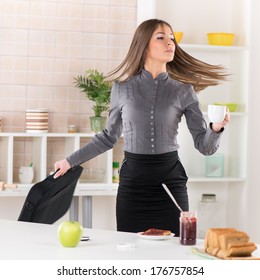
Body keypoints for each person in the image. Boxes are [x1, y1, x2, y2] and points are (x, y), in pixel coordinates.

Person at [54, 19, 230, 236]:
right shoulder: (122, 88)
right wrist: (70, 161)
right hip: (133, 186)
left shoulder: (184, 91)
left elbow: (205, 147)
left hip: (170, 184)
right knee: (130, 251)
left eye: (172, 38)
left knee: (175, 252)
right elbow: (108, 137)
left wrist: (216, 129)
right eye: (161, 37)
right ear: (143, 44)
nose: (170, 43)